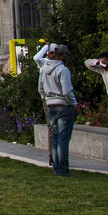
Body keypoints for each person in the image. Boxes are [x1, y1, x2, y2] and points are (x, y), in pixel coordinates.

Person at [35, 43, 76, 176]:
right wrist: (74, 105)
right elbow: (67, 91)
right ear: (62, 55)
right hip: (63, 106)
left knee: (55, 138)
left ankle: (56, 167)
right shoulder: (63, 70)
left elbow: (40, 89)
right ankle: (63, 168)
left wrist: (47, 99)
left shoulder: (43, 69)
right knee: (63, 139)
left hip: (50, 105)